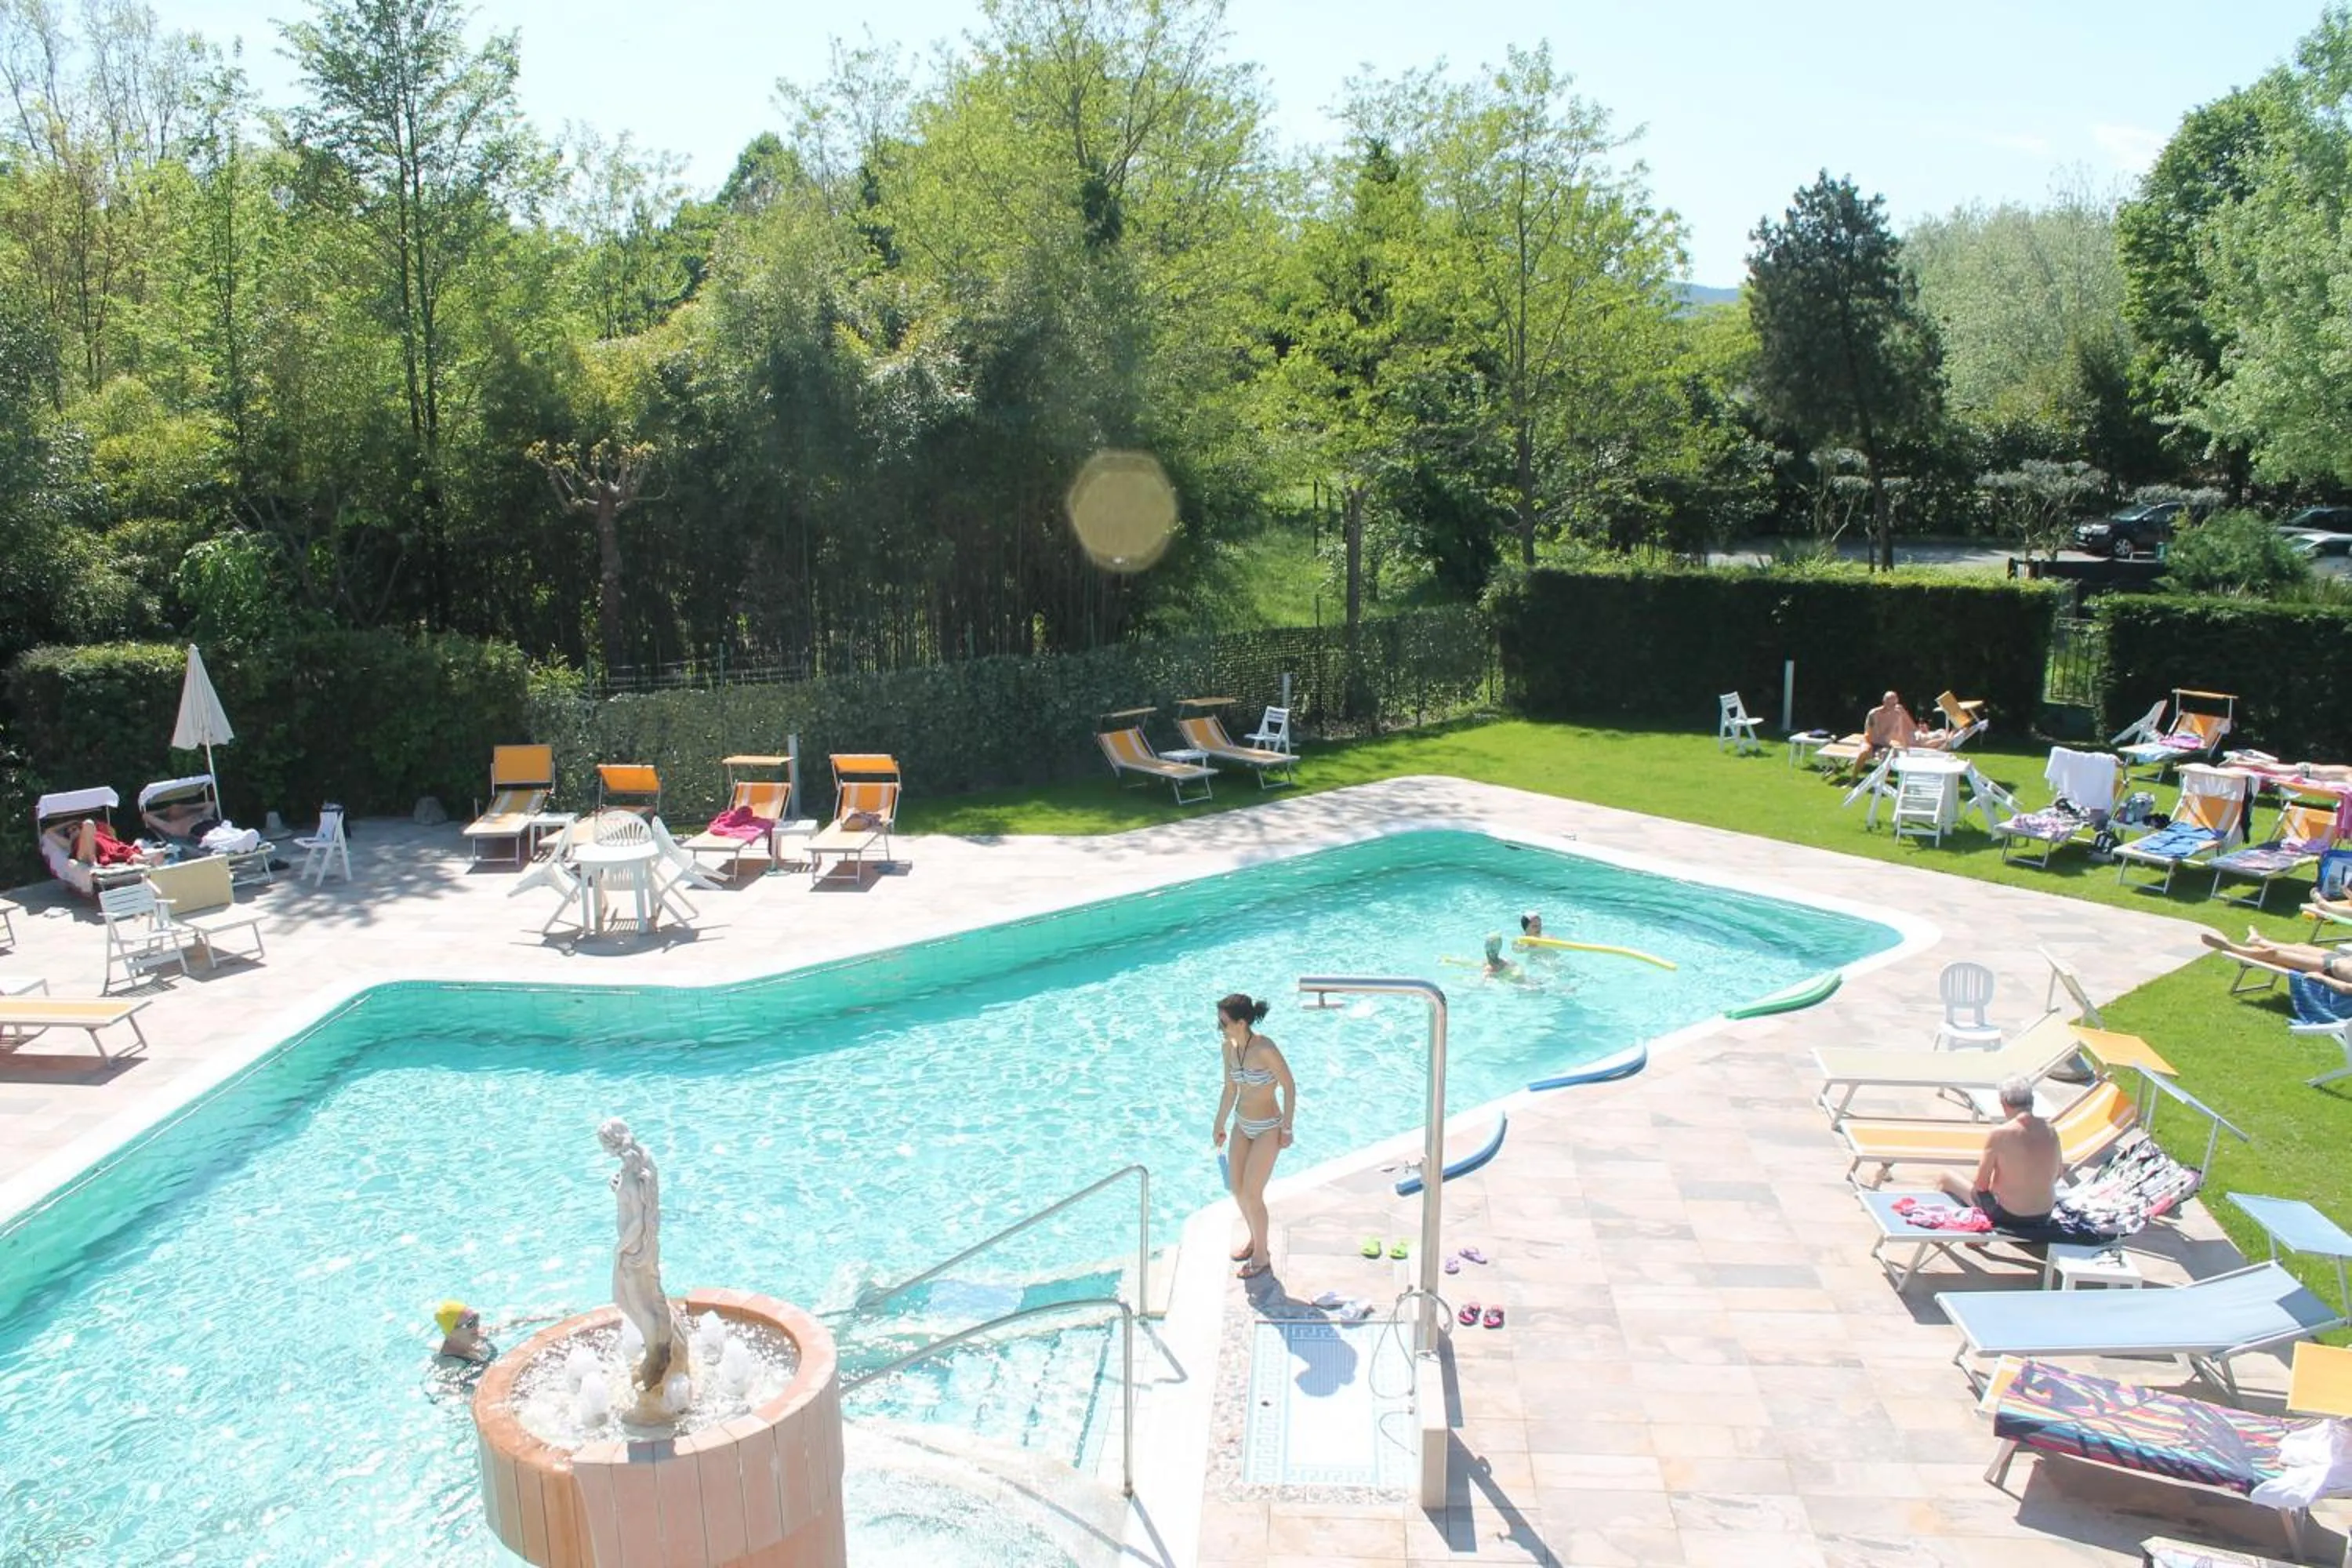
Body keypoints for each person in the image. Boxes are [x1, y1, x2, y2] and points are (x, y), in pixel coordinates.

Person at [1211, 992, 1294, 1280]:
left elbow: (1289, 1086)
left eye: (1224, 1023)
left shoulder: (1265, 1049)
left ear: (1242, 1022)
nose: (1220, 1027)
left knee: (1252, 1193)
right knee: (1237, 1189)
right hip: (1241, 1126)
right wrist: (1219, 1124)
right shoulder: (1228, 1049)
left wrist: (1287, 1127)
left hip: (1268, 1127)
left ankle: (1262, 1256)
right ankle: (1254, 1238)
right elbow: (1230, 1089)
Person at [1935, 1076, 2060, 1227]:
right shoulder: (2051, 1130)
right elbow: (2058, 1174)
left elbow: (1981, 1185)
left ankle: (1976, 1229)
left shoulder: (2000, 1134)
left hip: (2009, 1216)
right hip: (2043, 1215)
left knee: (1946, 1178)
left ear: (2004, 1102)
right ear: (2032, 1101)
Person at [2200, 928, 2352, 990]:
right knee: (2300, 946)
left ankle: (2232, 948)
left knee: (2273, 954)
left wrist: (2322, 979)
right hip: (2337, 958)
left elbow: (2347, 989)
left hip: (2327, 969)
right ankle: (2258, 941)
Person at [1859, 691, 1929, 765]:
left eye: (1894, 704)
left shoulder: (1898, 713)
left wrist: (1906, 748)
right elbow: (1871, 732)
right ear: (1884, 702)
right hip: (1877, 742)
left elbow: (1905, 731)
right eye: (1890, 703)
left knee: (1887, 753)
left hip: (1892, 741)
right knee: (1869, 751)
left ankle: (1882, 772)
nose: (1893, 706)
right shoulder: (1877, 713)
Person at [434, 1300, 496, 1365]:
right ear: (451, 1334)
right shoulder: (451, 1363)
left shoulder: (478, 1333)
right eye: (470, 1324)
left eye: (475, 1318)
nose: (477, 1325)